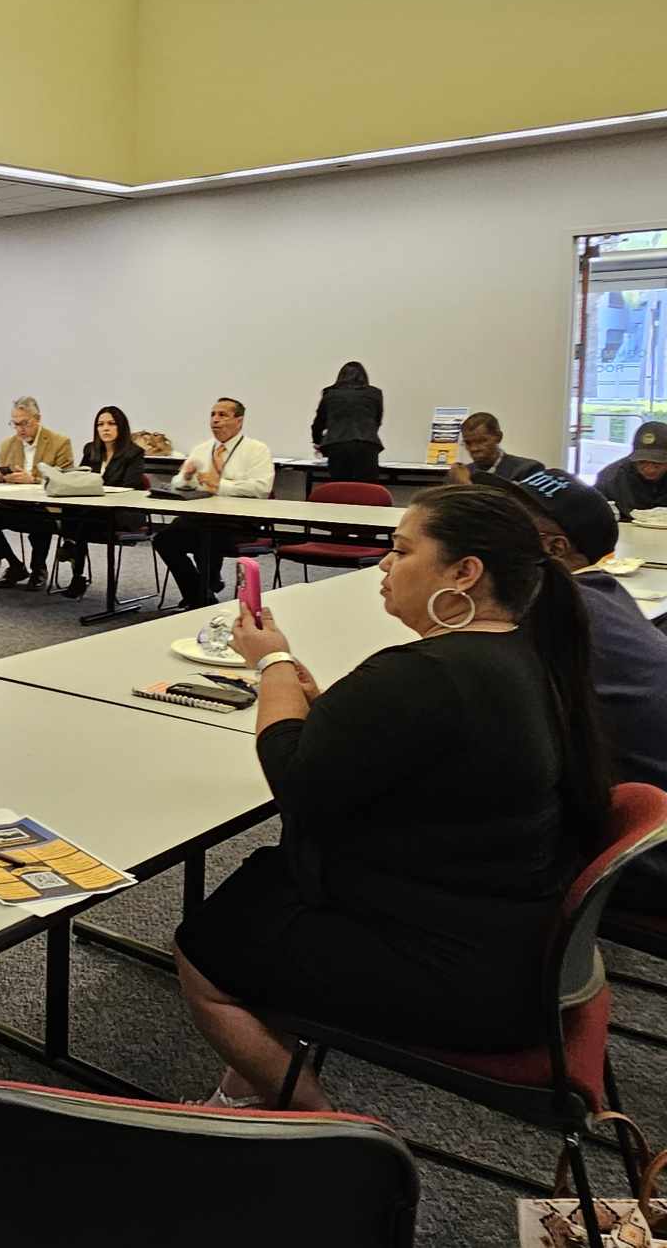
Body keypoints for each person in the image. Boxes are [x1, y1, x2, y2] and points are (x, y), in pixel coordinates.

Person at [175, 484, 609, 1110]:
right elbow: (430, 756)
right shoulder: (522, 653)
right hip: (509, 940)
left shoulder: (423, 673)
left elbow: (294, 783)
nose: (382, 565)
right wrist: (328, 710)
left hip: (455, 975)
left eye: (401, 551)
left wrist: (271, 664)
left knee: (203, 951)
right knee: (263, 893)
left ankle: (322, 1131)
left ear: (464, 572)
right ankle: (250, 1092)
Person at [482, 468, 667, 909]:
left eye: (509, 523)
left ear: (554, 548)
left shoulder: (551, 623)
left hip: (638, 855)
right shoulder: (602, 594)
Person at [152, 398, 274, 609]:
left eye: (222, 415)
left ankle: (201, 593)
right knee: (163, 539)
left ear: (239, 421)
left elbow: (261, 488)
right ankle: (201, 594)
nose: (215, 420)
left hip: (239, 521)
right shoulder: (201, 449)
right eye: (213, 415)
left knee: (207, 539)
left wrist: (219, 485)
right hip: (200, 517)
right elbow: (177, 483)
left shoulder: (256, 449)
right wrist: (187, 477)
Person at [0, 396, 73, 589]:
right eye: (15, 424)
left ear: (38, 418)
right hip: (16, 503)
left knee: (40, 520)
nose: (20, 429)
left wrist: (34, 480)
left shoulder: (60, 442)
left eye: (25, 423)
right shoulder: (8, 444)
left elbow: (66, 480)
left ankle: (38, 569)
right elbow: (4, 471)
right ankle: (14, 565)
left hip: (46, 506)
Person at [54, 404, 146, 599]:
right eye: (100, 424)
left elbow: (129, 487)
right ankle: (77, 573)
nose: (105, 428)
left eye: (111, 424)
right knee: (72, 509)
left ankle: (70, 546)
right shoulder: (91, 450)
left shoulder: (134, 453)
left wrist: (96, 488)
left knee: (82, 517)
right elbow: (79, 478)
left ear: (121, 427)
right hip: (93, 512)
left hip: (123, 512)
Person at [310, 361, 383, 483]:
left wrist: (318, 441)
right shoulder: (374, 393)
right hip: (366, 445)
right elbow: (376, 421)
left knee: (340, 487)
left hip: (337, 445)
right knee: (366, 488)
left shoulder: (330, 393)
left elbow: (319, 422)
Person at [445, 411, 543, 484]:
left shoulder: (527, 470)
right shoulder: (463, 473)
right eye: (468, 443)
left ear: (499, 437)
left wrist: (465, 486)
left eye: (482, 441)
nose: (474, 448)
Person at [594, 420, 667, 519]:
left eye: (657, 463)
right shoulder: (610, 478)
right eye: (642, 462)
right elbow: (594, 516)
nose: (650, 470)